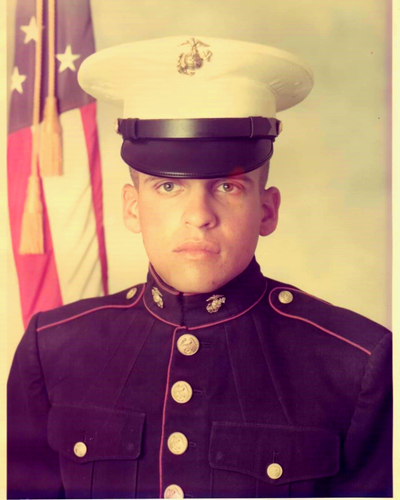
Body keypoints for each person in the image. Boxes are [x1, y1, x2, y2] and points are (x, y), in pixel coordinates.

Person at [7, 36, 392, 499]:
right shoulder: (53, 350)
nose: (198, 215)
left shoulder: (354, 363)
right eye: (168, 187)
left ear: (267, 210)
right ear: (132, 207)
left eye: (228, 187)